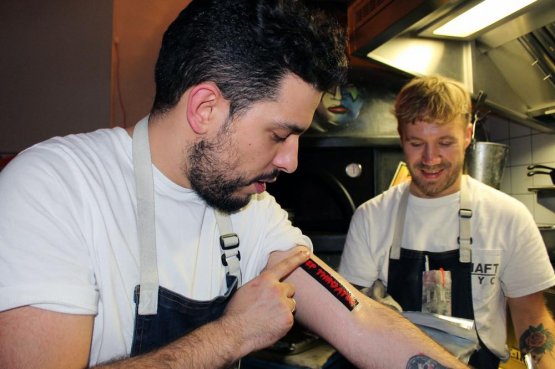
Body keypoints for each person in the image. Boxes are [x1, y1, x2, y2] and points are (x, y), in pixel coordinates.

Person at [0, 2, 469, 368]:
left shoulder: (251, 208)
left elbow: (355, 313)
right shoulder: (55, 189)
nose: (290, 162)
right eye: (279, 135)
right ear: (206, 109)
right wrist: (233, 334)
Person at [339, 75, 555, 369]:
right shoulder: (371, 218)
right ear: (401, 138)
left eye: (445, 142)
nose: (431, 158)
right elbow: (354, 317)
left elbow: (531, 317)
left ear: (467, 136)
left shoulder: (508, 217)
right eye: (417, 143)